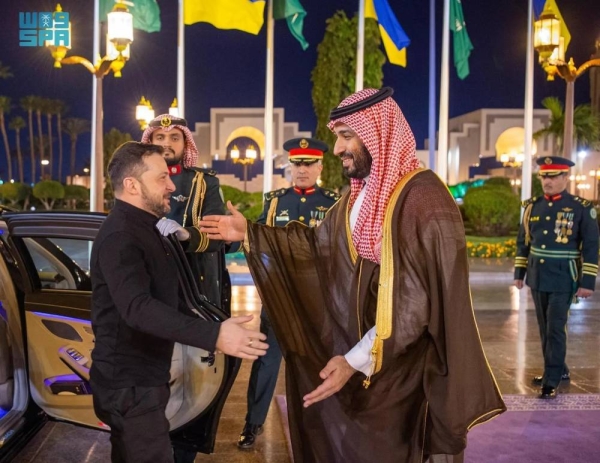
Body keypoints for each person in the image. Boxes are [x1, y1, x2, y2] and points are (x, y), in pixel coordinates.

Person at [199, 87, 505, 463]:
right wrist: (251, 232)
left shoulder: (423, 199)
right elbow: (317, 247)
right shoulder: (357, 197)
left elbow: (414, 304)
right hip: (363, 361)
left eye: (347, 135)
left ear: (377, 134)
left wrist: (355, 359)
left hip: (404, 371)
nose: (339, 148)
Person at [90, 141, 268, 463]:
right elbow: (138, 308)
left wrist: (215, 324)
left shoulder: (148, 229)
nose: (172, 185)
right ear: (131, 185)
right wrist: (214, 335)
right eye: (161, 178)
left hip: (144, 379)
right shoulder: (121, 235)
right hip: (129, 385)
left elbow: (169, 295)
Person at [238, 137, 340, 449]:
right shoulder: (274, 202)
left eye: (309, 163)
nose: (303, 169)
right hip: (280, 298)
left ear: (320, 166)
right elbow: (254, 238)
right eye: (297, 163)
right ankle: (252, 425)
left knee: (318, 365)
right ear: (290, 166)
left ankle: (324, 425)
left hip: (317, 301)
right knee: (266, 363)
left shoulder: (334, 203)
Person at [514, 155, 599, 399]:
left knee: (555, 328)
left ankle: (551, 380)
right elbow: (524, 242)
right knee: (544, 327)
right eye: (544, 176)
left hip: (564, 277)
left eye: (552, 176)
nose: (547, 181)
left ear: (565, 177)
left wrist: (587, 282)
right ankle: (558, 369)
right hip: (538, 276)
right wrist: (519, 273)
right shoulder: (533, 206)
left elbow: (591, 246)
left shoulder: (581, 207)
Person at [141, 114, 232, 312]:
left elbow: (217, 236)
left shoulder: (205, 182)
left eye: (174, 138)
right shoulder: (136, 181)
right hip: (148, 285)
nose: (167, 143)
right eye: (160, 138)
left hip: (194, 288)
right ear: (150, 141)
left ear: (185, 143)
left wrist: (187, 234)